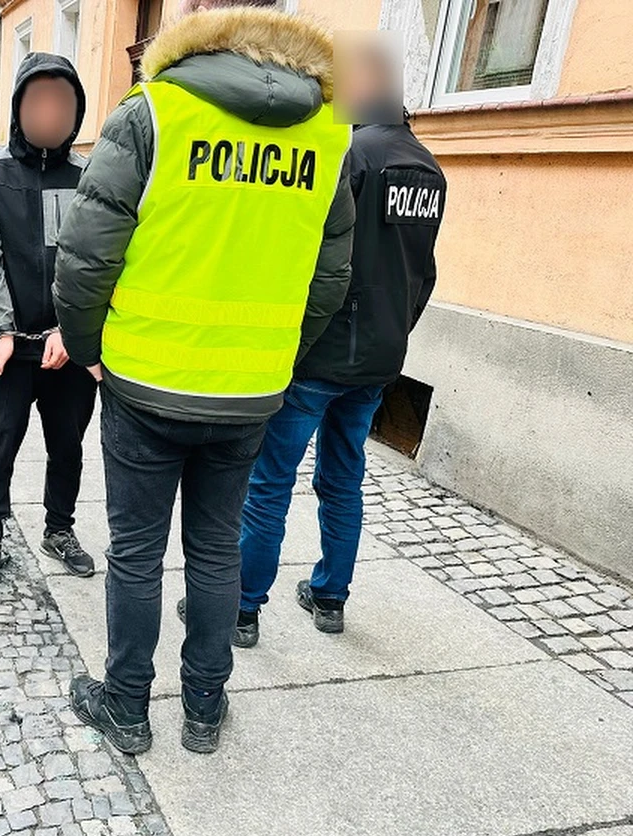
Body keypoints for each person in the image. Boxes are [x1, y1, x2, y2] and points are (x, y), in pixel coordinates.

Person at [53, 0, 355, 754]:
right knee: (217, 550)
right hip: (249, 391)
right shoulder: (330, 134)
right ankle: (205, 709)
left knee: (135, 552)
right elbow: (331, 277)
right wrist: (276, 357)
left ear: (194, 24)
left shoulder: (152, 112)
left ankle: (126, 707)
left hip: (145, 382)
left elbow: (85, 260)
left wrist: (90, 348)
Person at [233, 42, 446, 645]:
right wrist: (395, 332)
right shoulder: (430, 168)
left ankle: (243, 610)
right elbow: (422, 273)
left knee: (269, 481)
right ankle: (330, 598)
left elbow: (316, 256)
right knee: (344, 477)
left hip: (322, 353)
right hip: (380, 358)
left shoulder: (349, 153)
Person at [0, 53, 97, 590]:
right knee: (1, 444)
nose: (51, 110)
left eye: (63, 101)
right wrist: (3, 332)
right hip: (9, 348)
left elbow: (92, 261)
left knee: (68, 445)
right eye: (38, 99)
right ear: (18, 107)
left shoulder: (89, 175)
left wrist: (72, 327)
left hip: (70, 348)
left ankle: (58, 529)